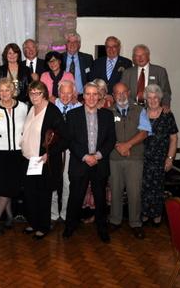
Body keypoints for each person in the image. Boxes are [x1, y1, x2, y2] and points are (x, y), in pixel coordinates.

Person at [63, 82, 116, 243]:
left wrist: (98, 156)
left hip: (100, 163)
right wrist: (86, 156)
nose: (92, 97)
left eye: (95, 94)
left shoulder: (107, 115)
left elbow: (111, 140)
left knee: (100, 199)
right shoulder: (72, 115)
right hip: (80, 162)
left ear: (99, 96)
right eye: (88, 94)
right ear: (83, 96)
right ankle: (70, 226)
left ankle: (102, 228)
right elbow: (70, 141)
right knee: (75, 197)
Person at [21, 81, 68, 239]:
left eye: (38, 93)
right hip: (29, 160)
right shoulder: (31, 109)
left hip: (43, 161)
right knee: (30, 193)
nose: (34, 96)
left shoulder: (52, 112)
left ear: (44, 94)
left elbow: (64, 139)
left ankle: (43, 226)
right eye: (31, 93)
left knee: (43, 195)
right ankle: (33, 222)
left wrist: (50, 153)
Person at [108, 82, 150, 239]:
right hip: (114, 158)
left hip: (135, 157)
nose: (121, 95)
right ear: (113, 95)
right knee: (116, 190)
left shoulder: (140, 110)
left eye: (124, 92)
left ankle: (135, 223)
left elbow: (145, 132)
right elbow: (104, 134)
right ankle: (115, 220)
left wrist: (128, 145)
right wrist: (119, 147)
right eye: (117, 93)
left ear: (129, 92)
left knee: (134, 192)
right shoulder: (107, 112)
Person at [0, 78, 28, 235]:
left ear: (13, 91)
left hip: (18, 154)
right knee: (4, 188)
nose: (4, 93)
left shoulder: (23, 108)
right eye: (2, 90)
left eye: (7, 90)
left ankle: (9, 217)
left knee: (10, 187)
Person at [142, 84, 178, 226]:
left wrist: (170, 158)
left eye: (155, 97)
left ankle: (157, 215)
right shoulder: (141, 113)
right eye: (149, 98)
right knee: (143, 187)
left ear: (160, 98)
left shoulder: (167, 115)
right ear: (146, 99)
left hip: (160, 158)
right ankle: (144, 213)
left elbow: (174, 138)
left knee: (157, 188)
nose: (152, 100)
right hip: (143, 158)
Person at [50, 80, 82, 223]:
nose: (65, 96)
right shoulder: (50, 106)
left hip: (71, 150)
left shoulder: (79, 107)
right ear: (58, 92)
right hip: (54, 150)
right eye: (63, 92)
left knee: (68, 182)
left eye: (69, 93)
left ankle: (65, 214)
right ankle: (53, 214)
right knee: (53, 181)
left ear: (74, 93)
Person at [120, 44, 172, 109]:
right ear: (134, 58)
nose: (140, 58)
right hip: (132, 109)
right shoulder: (127, 73)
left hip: (154, 108)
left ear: (148, 56)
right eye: (137, 56)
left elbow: (166, 92)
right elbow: (122, 92)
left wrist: (166, 105)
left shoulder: (160, 71)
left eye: (143, 55)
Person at [60, 32, 93, 97]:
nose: (72, 44)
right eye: (69, 42)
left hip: (82, 97)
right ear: (66, 44)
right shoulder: (59, 58)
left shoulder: (87, 58)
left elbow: (91, 79)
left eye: (75, 42)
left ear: (79, 44)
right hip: (63, 97)